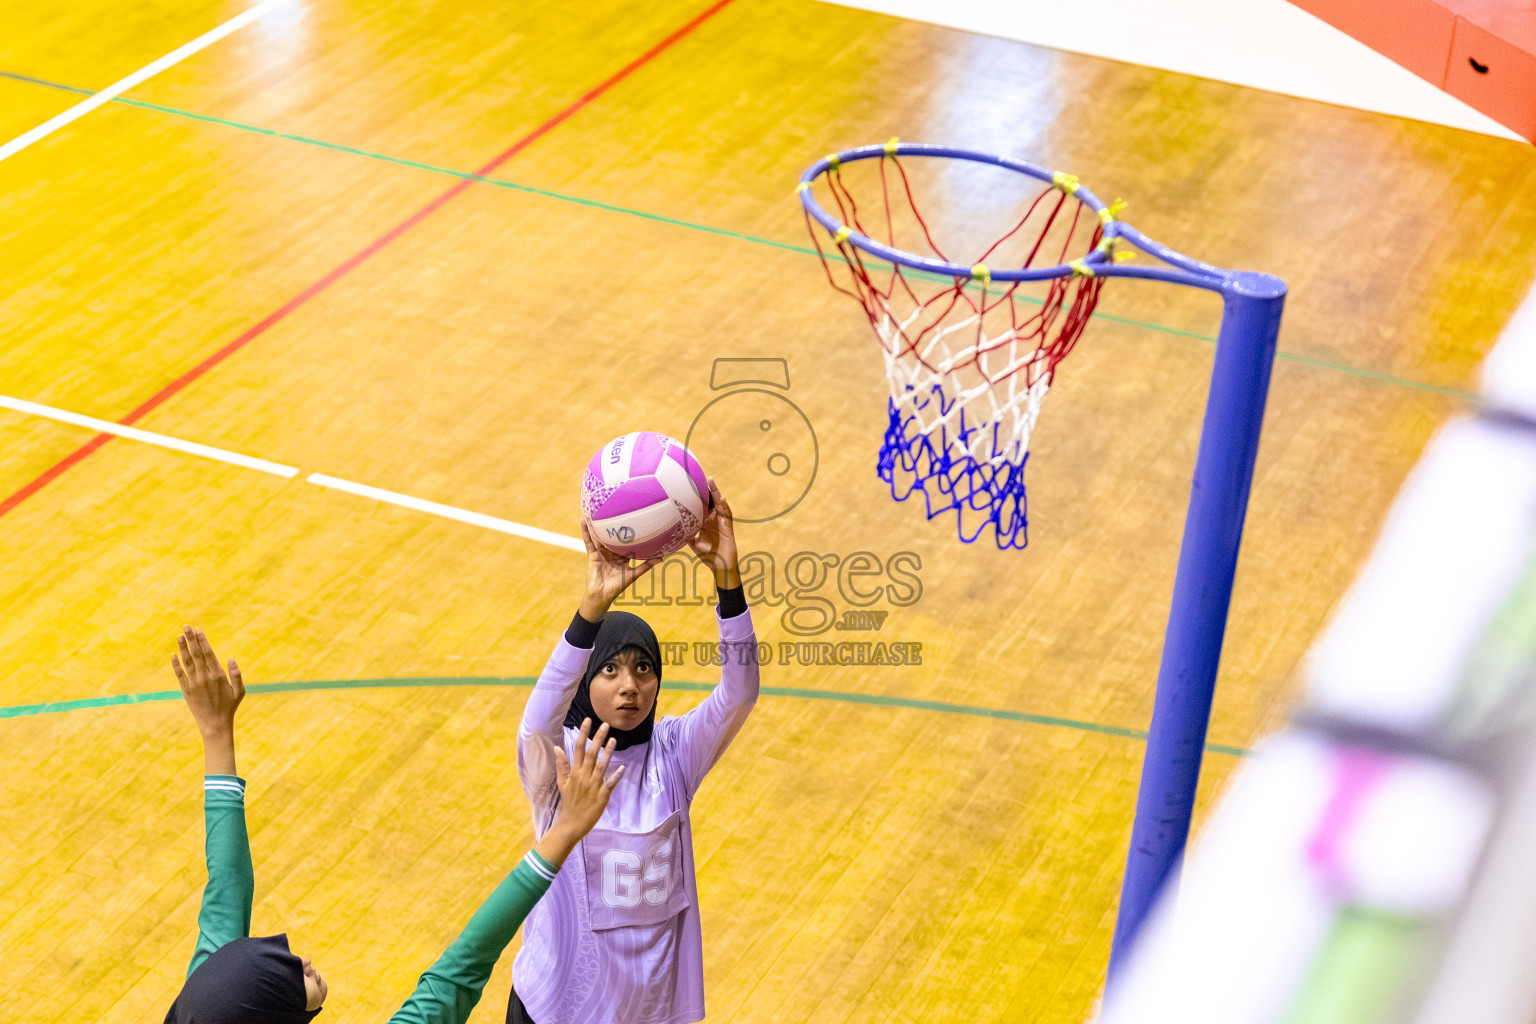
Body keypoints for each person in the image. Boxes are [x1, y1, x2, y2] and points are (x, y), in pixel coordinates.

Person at [165, 626, 623, 1024]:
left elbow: (226, 884)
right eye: (286, 977)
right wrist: (562, 832)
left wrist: (216, 732)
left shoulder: (207, 1009)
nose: (300, 959)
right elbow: (460, 968)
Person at [509, 480, 758, 1024]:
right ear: (584, 680)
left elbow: (739, 692)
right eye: (610, 669)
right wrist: (591, 609)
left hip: (650, 1011)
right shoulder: (558, 761)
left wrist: (727, 578)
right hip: (555, 1011)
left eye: (644, 669)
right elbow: (536, 722)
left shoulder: (673, 754)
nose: (630, 686)